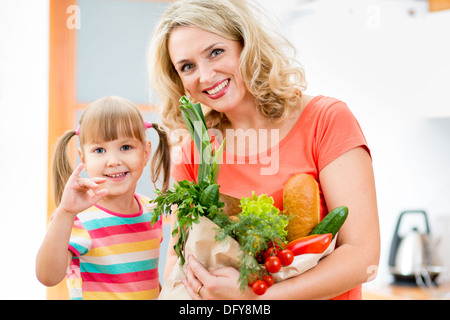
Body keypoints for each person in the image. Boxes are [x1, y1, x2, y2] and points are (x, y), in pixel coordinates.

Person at [147, 0, 380, 300]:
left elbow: (363, 259)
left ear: (246, 45)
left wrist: (256, 299)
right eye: (187, 66)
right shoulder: (196, 148)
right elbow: (178, 264)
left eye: (215, 52)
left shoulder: (326, 120)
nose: (205, 76)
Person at [36, 96, 171, 300]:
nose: (113, 161)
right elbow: (47, 276)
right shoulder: (78, 218)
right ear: (84, 159)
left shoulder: (152, 211)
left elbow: (147, 282)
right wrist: (66, 212)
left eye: (126, 147)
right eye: (99, 150)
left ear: (145, 152)